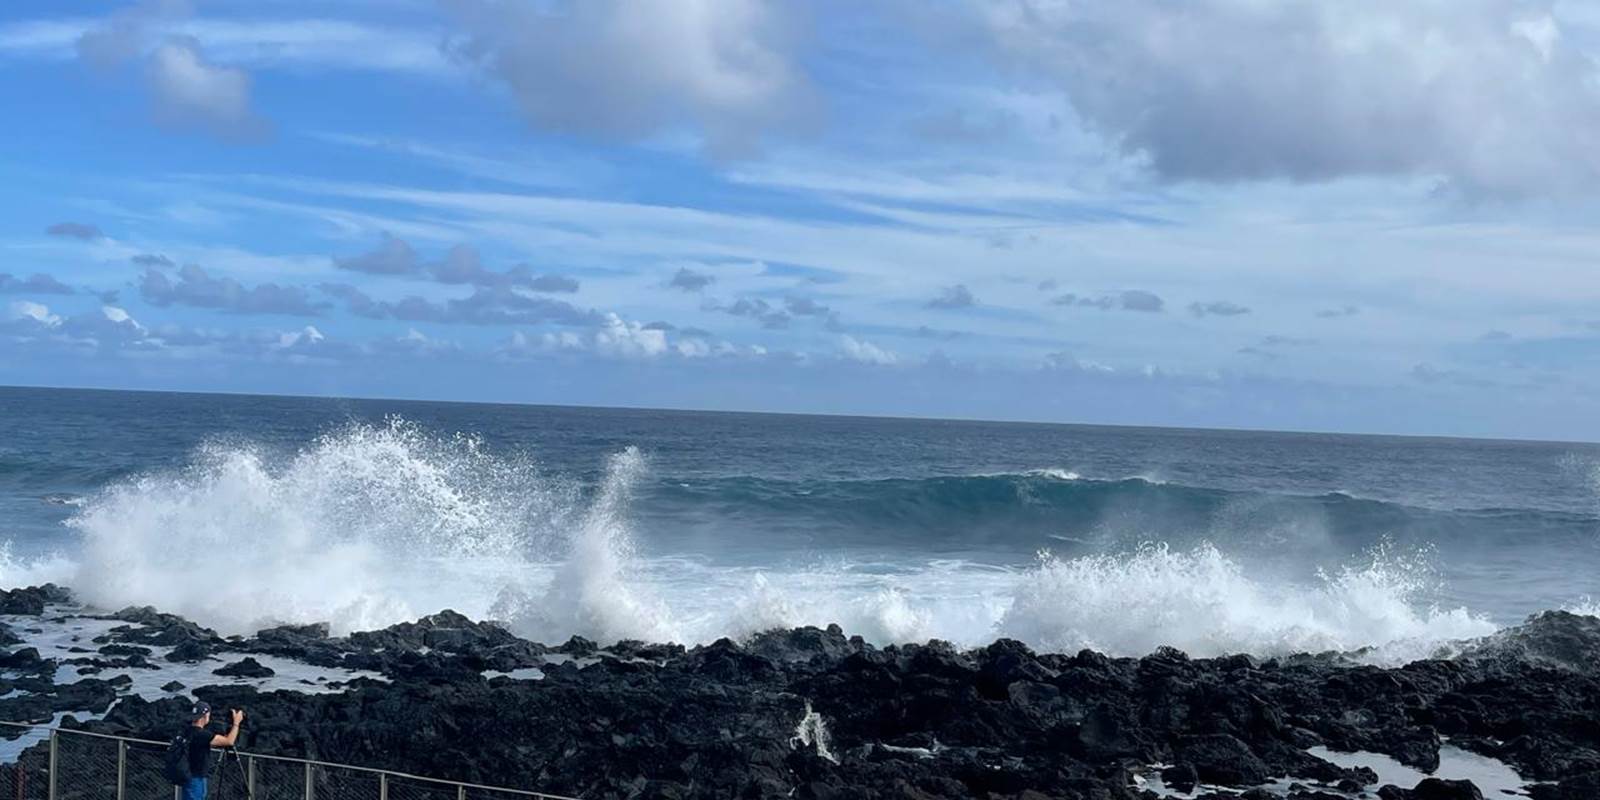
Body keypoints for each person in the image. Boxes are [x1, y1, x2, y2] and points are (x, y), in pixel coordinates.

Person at [184, 701, 245, 800]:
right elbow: (229, 741)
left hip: (189, 775)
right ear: (205, 715)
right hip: (196, 778)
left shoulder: (187, 731)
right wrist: (236, 723)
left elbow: (209, 742)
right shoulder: (202, 735)